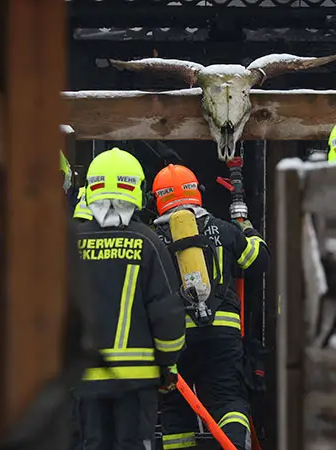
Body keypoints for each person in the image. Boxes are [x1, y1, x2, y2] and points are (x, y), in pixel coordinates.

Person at [70, 147, 187, 450]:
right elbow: (166, 312)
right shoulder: (147, 241)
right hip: (137, 379)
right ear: (137, 189)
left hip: (85, 376)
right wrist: (168, 363)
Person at [150, 164, 269, 450]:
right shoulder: (223, 230)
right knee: (228, 399)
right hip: (222, 335)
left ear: (157, 198)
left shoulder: (151, 240)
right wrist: (246, 227)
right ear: (196, 193)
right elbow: (258, 261)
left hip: (174, 339)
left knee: (175, 407)